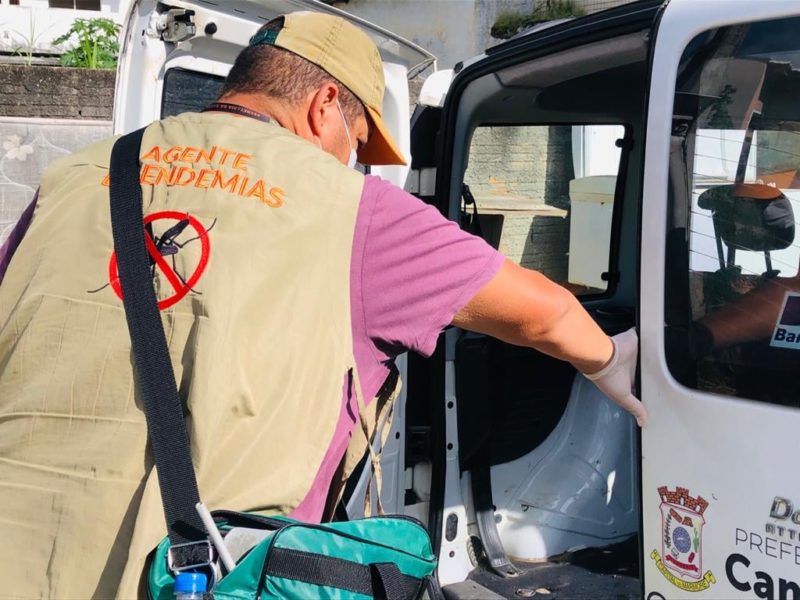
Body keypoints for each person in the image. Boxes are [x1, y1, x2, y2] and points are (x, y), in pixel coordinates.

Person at [0, 11, 646, 598]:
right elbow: (545, 314)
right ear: (325, 105)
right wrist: (612, 360)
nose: (354, 160)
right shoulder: (352, 210)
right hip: (196, 574)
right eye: (359, 142)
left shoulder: (80, 174)